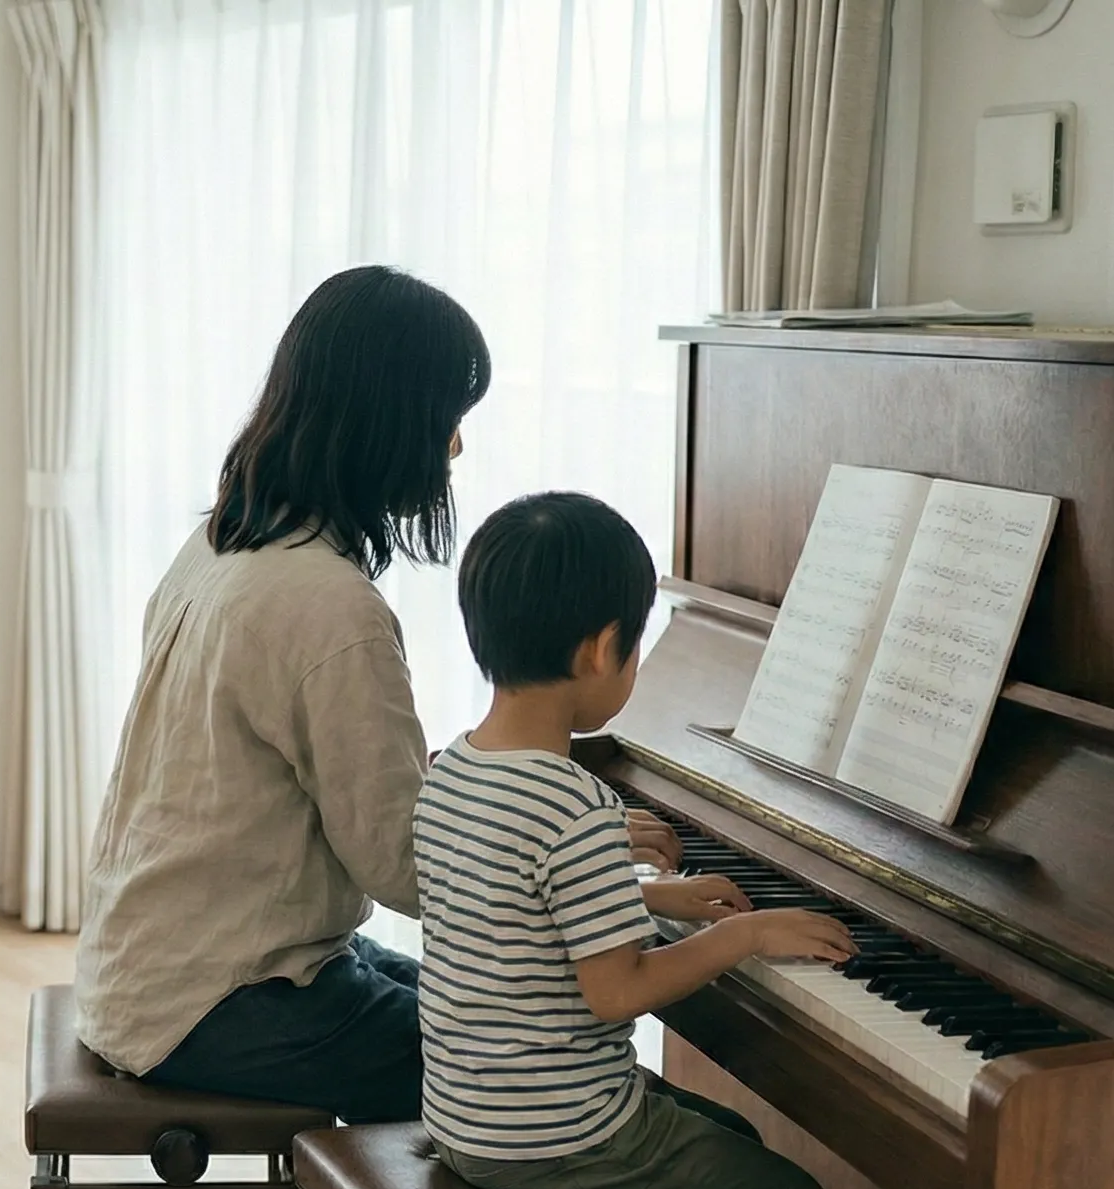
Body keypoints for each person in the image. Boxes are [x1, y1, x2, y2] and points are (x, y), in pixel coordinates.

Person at [71, 267, 685, 1127]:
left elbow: (366, 805)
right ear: (389, 422)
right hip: (223, 1002)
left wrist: (555, 836)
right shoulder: (329, 607)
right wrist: (588, 853)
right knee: (544, 1071)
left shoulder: (221, 541)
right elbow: (407, 869)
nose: (456, 448)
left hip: (154, 965)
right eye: (448, 418)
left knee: (501, 1014)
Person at [413, 491, 851, 1189]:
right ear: (603, 646)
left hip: (467, 1122)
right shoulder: (574, 803)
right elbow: (615, 993)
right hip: (564, 1139)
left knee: (731, 1132)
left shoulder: (453, 773)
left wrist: (649, 898)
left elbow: (513, 906)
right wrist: (737, 933)